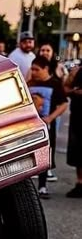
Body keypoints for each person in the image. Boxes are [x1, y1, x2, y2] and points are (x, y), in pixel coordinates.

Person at [27, 55, 68, 199]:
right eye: (32, 69)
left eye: (36, 69)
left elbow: (64, 104)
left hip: (47, 127)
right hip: (30, 127)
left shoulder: (54, 84)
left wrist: (50, 117)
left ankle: (42, 186)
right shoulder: (29, 83)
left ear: (45, 69)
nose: (33, 72)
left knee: (45, 155)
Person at [64, 64, 82, 198]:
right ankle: (80, 183)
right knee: (77, 151)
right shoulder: (77, 70)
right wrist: (74, 92)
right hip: (77, 115)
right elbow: (65, 89)